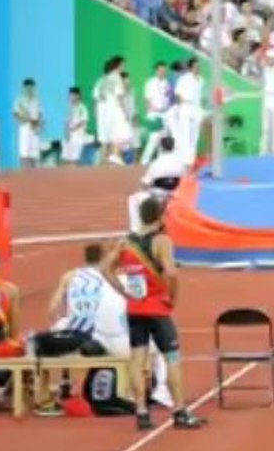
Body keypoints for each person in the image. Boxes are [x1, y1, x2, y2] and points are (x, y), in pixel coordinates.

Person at [102, 198, 205, 430]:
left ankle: (141, 412)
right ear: (160, 216)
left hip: (135, 309)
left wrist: (124, 293)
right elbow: (172, 272)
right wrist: (172, 299)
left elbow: (105, 268)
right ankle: (179, 412)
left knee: (137, 361)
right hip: (158, 309)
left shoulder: (126, 242)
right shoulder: (162, 240)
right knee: (172, 359)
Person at [41, 244, 172, 413]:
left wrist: (57, 326)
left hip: (78, 334)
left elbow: (53, 309)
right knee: (158, 344)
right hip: (106, 336)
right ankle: (161, 391)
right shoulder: (114, 278)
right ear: (105, 258)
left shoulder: (70, 276)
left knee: (63, 324)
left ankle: (65, 382)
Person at [127, 136, 186, 232]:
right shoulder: (181, 164)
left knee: (133, 199)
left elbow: (146, 183)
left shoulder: (156, 164)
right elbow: (185, 181)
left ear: (161, 147)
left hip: (158, 199)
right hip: (175, 198)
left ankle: (135, 230)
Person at [173, 59, 205, 164]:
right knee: (185, 132)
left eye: (199, 66)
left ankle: (192, 157)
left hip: (197, 107)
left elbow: (200, 95)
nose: (198, 68)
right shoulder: (184, 78)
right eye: (196, 66)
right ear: (191, 67)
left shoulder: (201, 80)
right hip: (186, 106)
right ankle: (185, 159)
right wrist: (181, 104)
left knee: (196, 133)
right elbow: (177, 93)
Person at [140, 62, 173, 164]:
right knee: (153, 138)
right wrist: (150, 112)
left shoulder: (167, 83)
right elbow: (146, 99)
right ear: (156, 70)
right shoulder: (150, 82)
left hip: (165, 113)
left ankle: (161, 161)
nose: (163, 71)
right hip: (154, 113)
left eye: (164, 69)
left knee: (163, 139)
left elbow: (169, 98)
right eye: (160, 69)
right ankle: (144, 162)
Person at [13, 78, 43, 169]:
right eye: (28, 87)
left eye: (32, 87)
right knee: (24, 151)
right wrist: (28, 119)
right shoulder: (19, 100)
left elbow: (40, 113)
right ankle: (24, 173)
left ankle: (35, 174)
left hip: (35, 127)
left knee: (34, 152)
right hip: (24, 126)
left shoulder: (37, 99)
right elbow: (15, 114)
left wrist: (37, 123)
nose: (30, 89)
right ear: (24, 88)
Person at [62, 87, 91, 165]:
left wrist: (73, 129)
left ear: (78, 96)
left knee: (74, 160)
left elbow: (83, 121)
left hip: (78, 136)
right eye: (70, 95)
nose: (72, 97)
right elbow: (65, 122)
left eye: (74, 95)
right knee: (65, 159)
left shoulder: (82, 108)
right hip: (67, 136)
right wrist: (66, 134)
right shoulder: (68, 107)